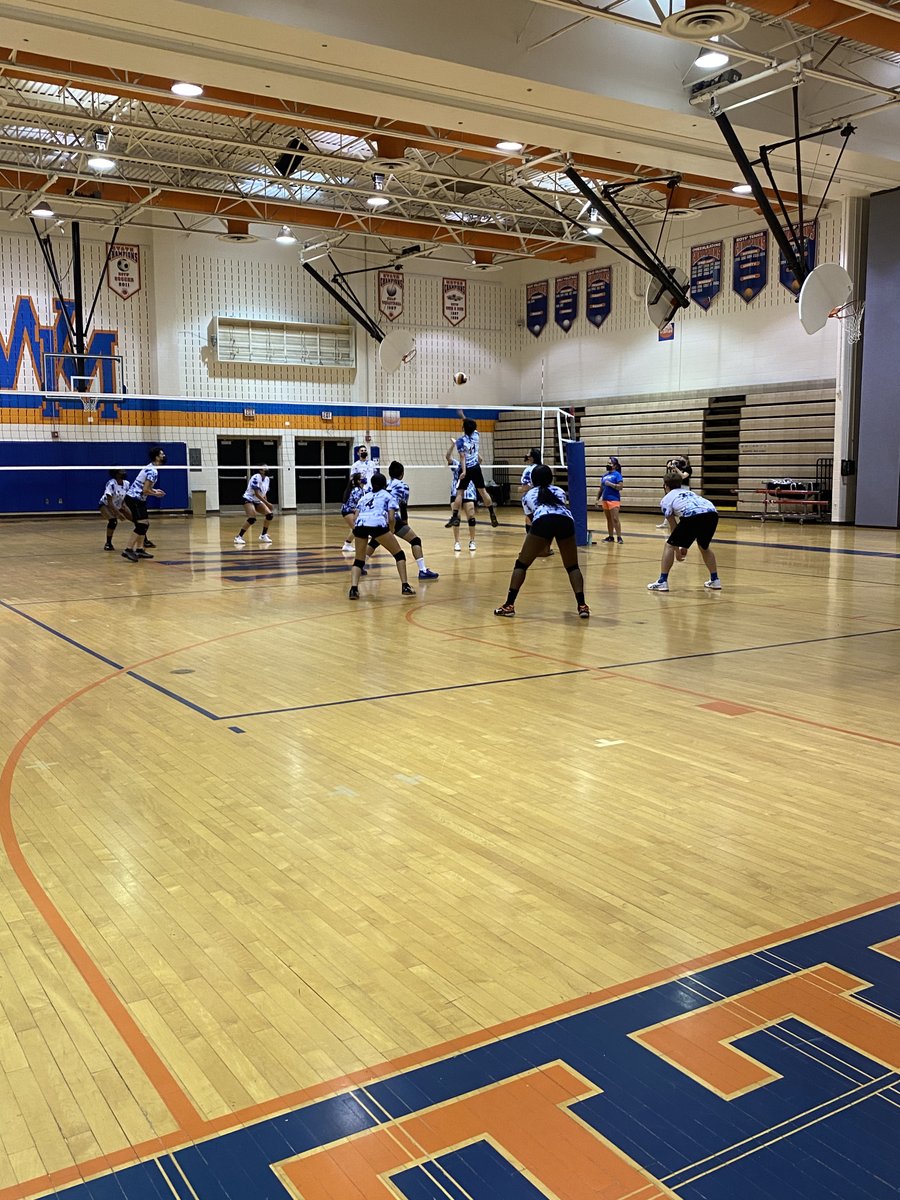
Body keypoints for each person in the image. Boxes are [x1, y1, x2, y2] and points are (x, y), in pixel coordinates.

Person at [493, 465, 589, 619]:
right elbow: (557, 512)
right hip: (567, 521)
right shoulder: (559, 491)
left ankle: (509, 605)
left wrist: (539, 548)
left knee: (521, 564)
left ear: (533, 479)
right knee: (572, 566)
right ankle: (582, 606)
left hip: (543, 521)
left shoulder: (528, 495)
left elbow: (534, 523)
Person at [647, 472, 721, 592]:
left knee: (669, 545)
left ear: (665, 486)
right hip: (712, 514)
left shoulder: (666, 499)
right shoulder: (690, 493)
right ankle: (715, 579)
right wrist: (684, 544)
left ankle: (662, 581)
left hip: (693, 516)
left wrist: (677, 549)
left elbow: (674, 526)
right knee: (704, 546)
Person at [347, 472, 416, 600]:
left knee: (359, 560)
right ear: (385, 484)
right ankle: (405, 586)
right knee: (399, 554)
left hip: (360, 525)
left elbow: (355, 517)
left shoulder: (364, 497)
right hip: (377, 525)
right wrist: (391, 529)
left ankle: (353, 589)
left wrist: (360, 528)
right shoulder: (388, 496)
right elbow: (391, 517)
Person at [365, 462, 439, 579]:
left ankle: (361, 565)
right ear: (402, 474)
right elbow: (403, 505)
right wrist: (405, 522)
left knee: (375, 542)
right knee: (415, 540)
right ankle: (422, 570)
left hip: (377, 519)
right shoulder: (402, 486)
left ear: (389, 473)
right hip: (393, 518)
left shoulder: (383, 484)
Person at [446, 417, 499, 528]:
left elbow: (462, 457)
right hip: (476, 467)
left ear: (463, 428)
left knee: (459, 492)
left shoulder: (460, 441)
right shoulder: (476, 435)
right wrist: (463, 416)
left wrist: (464, 471)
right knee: (483, 492)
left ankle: (455, 517)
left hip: (467, 467)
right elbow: (471, 425)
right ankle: (492, 513)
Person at [122, 446, 165, 562]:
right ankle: (128, 549)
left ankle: (140, 549)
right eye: (162, 454)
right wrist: (155, 494)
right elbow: (145, 490)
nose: (164, 456)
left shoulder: (151, 468)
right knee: (141, 525)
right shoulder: (152, 471)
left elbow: (145, 487)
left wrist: (155, 491)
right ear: (157, 457)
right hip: (134, 499)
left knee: (145, 524)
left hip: (138, 499)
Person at [235, 465, 275, 545]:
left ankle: (263, 535)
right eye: (265, 468)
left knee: (269, 515)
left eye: (267, 468)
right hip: (248, 499)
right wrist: (267, 503)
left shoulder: (267, 479)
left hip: (257, 500)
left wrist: (266, 503)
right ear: (261, 470)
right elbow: (256, 493)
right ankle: (238, 537)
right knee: (252, 518)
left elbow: (264, 493)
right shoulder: (256, 477)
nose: (267, 469)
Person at [446, 450, 478, 551]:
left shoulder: (472, 464)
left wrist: (474, 448)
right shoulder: (456, 464)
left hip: (469, 491)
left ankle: (472, 541)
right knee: (457, 517)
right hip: (456, 493)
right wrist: (453, 445)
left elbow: (480, 459)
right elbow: (447, 456)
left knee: (471, 516)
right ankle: (457, 542)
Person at [98, 469, 131, 551]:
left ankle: (144, 540)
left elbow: (124, 497)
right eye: (121, 471)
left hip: (119, 505)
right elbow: (109, 502)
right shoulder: (111, 484)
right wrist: (118, 514)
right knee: (113, 521)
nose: (124, 472)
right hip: (105, 505)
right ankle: (108, 543)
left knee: (137, 519)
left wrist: (124, 507)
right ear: (116, 474)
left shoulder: (127, 483)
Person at [658, 455, 691, 527]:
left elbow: (683, 476)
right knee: (670, 504)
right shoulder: (678, 466)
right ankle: (666, 523)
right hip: (676, 487)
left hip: (684, 487)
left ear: (687, 461)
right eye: (680, 460)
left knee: (683, 505)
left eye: (683, 460)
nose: (681, 462)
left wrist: (676, 468)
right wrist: (671, 465)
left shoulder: (688, 468)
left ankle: (682, 522)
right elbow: (670, 470)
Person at [598, 455, 624, 543]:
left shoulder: (617, 475)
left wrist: (611, 485)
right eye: (607, 463)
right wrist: (597, 499)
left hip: (614, 499)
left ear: (615, 465)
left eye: (610, 463)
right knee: (609, 519)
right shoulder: (604, 476)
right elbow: (601, 488)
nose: (608, 464)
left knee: (615, 518)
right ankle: (610, 536)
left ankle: (619, 537)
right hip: (605, 499)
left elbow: (621, 487)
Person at [341, 471, 365, 552]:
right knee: (356, 529)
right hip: (348, 510)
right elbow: (358, 502)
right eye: (362, 478)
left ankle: (347, 544)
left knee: (356, 528)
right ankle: (347, 545)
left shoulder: (360, 489)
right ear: (358, 481)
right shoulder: (357, 490)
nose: (364, 479)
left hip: (352, 510)